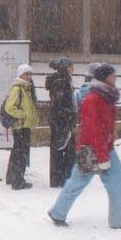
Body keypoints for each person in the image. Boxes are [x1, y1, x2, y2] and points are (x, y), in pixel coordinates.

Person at [47, 64, 121, 230]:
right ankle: (117, 220)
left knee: (109, 182)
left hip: (102, 148)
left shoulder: (105, 96)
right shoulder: (94, 99)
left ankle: (59, 212)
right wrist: (103, 156)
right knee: (106, 183)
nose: (115, 77)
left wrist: (110, 138)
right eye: (112, 75)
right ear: (104, 78)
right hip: (93, 149)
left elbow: (103, 126)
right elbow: (94, 130)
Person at [5, 64, 38, 190]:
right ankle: (18, 181)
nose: (29, 76)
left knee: (17, 152)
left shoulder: (26, 88)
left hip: (24, 126)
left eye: (30, 74)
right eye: (26, 74)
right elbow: (9, 107)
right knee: (21, 154)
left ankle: (11, 178)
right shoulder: (18, 88)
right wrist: (22, 115)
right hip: (21, 126)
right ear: (20, 75)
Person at [45, 58, 77, 187]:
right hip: (61, 122)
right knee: (62, 150)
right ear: (64, 68)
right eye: (70, 66)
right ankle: (60, 179)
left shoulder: (65, 80)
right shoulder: (60, 82)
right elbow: (59, 104)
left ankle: (62, 178)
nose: (73, 69)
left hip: (63, 121)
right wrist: (68, 116)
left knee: (64, 150)